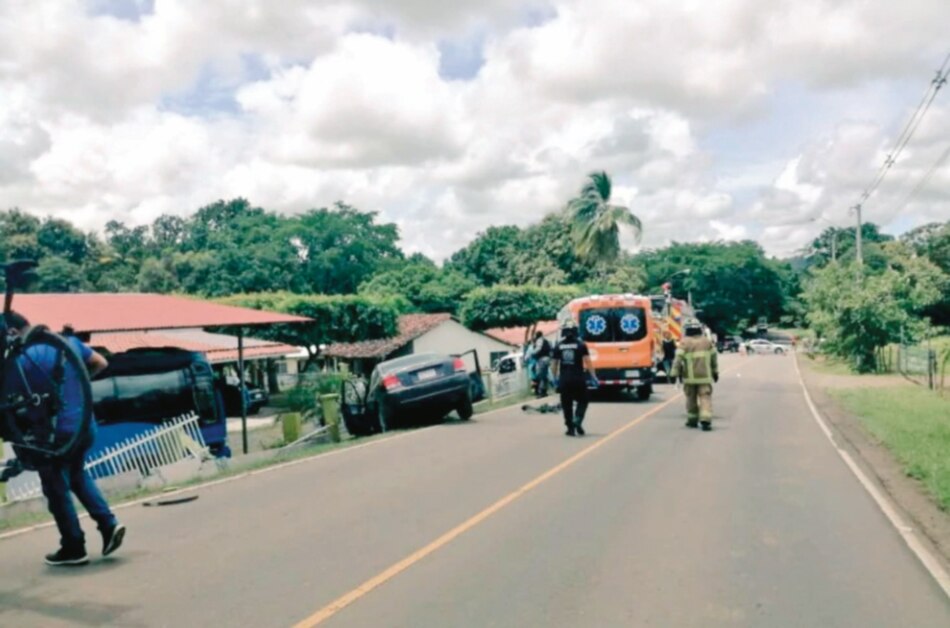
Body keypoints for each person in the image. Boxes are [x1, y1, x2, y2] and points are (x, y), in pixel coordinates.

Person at [5, 312, 125, 566]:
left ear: (13, 333)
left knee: (55, 488)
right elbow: (100, 363)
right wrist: (78, 387)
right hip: (84, 427)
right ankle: (108, 524)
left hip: (54, 436)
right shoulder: (67, 343)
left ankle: (73, 546)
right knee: (78, 474)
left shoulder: (21, 360)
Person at [672, 318, 719, 431]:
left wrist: (674, 373)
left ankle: (692, 420)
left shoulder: (684, 342)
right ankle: (705, 419)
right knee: (705, 398)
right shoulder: (707, 342)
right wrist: (715, 372)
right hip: (705, 378)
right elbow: (714, 359)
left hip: (689, 379)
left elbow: (677, 359)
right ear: (699, 329)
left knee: (691, 399)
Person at [551, 320, 596, 437]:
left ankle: (570, 428)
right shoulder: (581, 345)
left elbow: (554, 365)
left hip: (564, 380)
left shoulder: (558, 346)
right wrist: (593, 376)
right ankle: (578, 419)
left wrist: (554, 379)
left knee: (567, 404)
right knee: (583, 400)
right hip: (578, 379)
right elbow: (588, 362)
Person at [531, 331, 553, 398]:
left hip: (542, 359)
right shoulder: (546, 340)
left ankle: (541, 392)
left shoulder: (539, 340)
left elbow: (538, 349)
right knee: (544, 376)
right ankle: (544, 391)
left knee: (540, 375)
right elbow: (551, 348)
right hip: (547, 358)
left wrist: (532, 353)